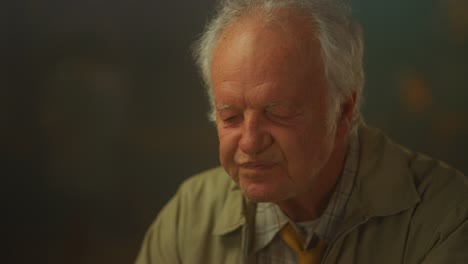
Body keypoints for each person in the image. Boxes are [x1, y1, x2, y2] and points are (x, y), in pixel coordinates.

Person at [135, 0, 468, 263]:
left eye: (278, 113)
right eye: (231, 116)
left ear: (344, 109)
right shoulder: (187, 217)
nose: (250, 142)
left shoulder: (446, 219)